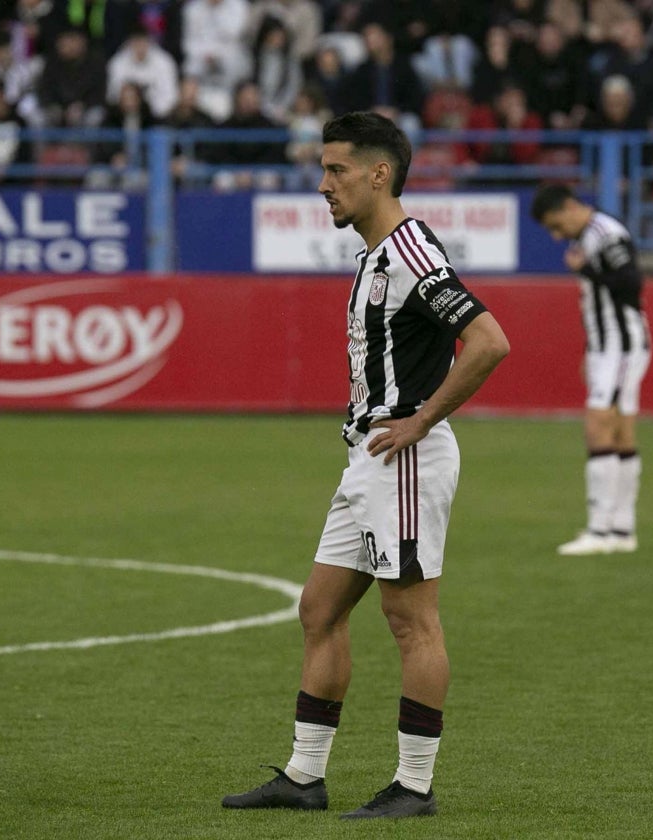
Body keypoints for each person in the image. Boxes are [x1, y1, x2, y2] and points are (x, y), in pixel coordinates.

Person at [222, 111, 510, 819]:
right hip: (368, 459)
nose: (324, 185)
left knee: (411, 618)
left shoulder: (412, 253)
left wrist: (422, 418)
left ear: (379, 174)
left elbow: (488, 341)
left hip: (402, 455)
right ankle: (303, 777)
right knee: (319, 609)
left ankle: (413, 788)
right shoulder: (379, 254)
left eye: (336, 170)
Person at [529, 184, 650, 556]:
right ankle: (622, 530)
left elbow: (632, 285)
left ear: (569, 207)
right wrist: (590, 349)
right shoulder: (590, 236)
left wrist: (589, 270)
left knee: (598, 425)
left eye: (556, 225)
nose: (556, 234)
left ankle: (599, 530)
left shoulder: (605, 234)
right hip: (607, 347)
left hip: (621, 345)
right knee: (621, 432)